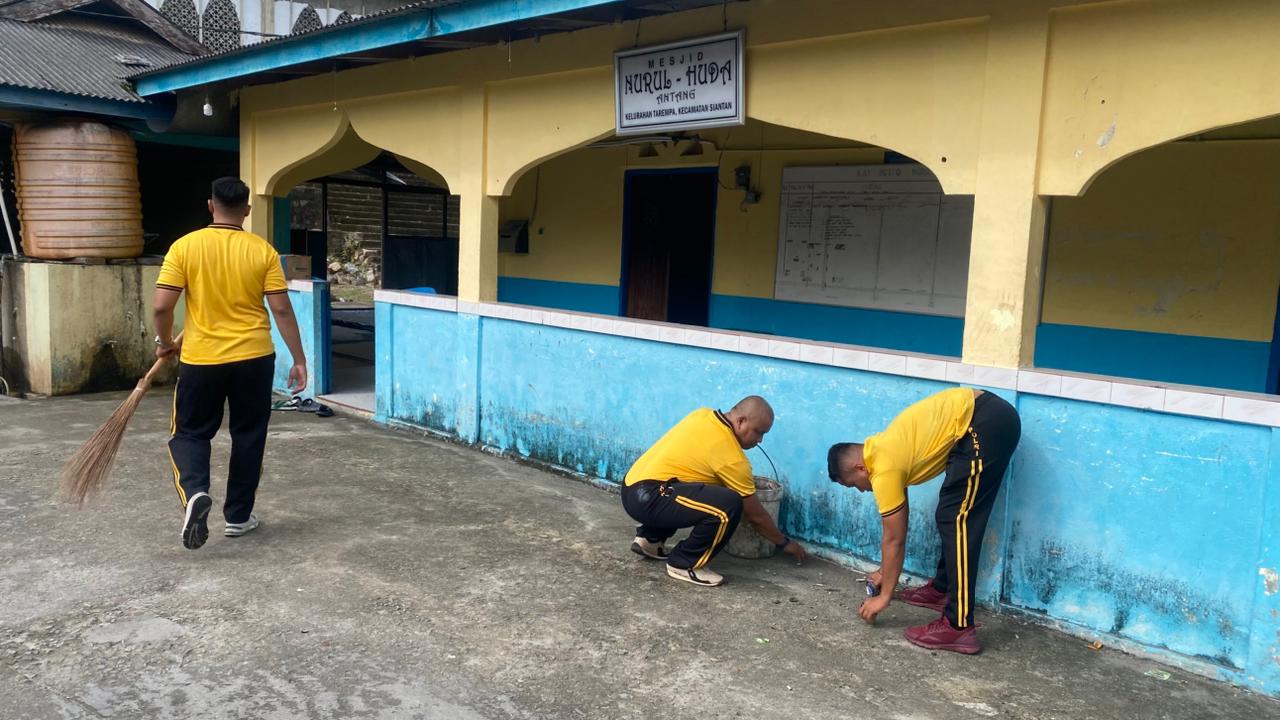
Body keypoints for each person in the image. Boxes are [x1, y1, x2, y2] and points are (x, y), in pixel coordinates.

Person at [153, 177, 308, 550]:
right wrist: (299, 359)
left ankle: (195, 492)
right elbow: (281, 309)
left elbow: (161, 306)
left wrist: (165, 343)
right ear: (247, 210)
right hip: (254, 358)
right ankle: (238, 517)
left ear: (210, 206)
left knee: (190, 433)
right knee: (249, 435)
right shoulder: (263, 251)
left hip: (202, 359)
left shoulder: (184, 247)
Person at [827, 387, 1020, 654]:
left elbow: (894, 540)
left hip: (983, 422)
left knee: (957, 520)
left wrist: (884, 597)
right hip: (982, 419)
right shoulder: (884, 449)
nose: (861, 490)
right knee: (950, 514)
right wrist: (884, 573)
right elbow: (898, 525)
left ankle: (959, 627)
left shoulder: (884, 469)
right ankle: (941, 590)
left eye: (853, 485)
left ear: (860, 468)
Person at [622, 396, 808, 587]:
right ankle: (685, 563)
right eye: (758, 432)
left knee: (694, 488)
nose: (760, 440)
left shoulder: (703, 415)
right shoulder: (732, 458)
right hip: (649, 497)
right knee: (728, 505)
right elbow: (756, 516)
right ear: (741, 421)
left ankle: (651, 539)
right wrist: (784, 543)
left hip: (631, 486)